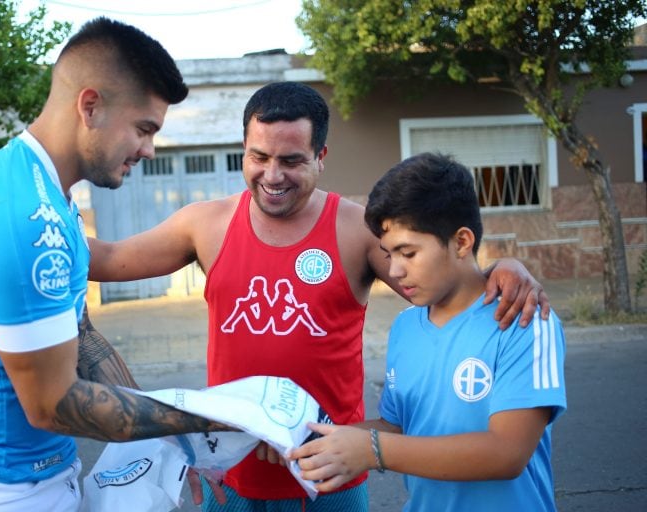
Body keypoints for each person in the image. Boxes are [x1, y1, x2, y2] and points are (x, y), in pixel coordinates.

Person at [88, 82, 550, 511]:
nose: (272, 175)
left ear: (321, 155)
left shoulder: (357, 228)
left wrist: (502, 269)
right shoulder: (204, 224)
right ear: (243, 152)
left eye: (291, 161)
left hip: (328, 477)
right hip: (230, 475)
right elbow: (106, 260)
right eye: (258, 157)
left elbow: (441, 279)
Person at [0, 17, 230, 511]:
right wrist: (207, 419)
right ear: (90, 106)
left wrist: (175, 442)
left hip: (20, 481)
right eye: (143, 129)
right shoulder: (25, 218)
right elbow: (52, 403)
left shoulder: (43, 192)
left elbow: (84, 334)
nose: (148, 149)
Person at [289, 152, 567, 511]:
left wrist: (373, 451)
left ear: (462, 242)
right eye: (389, 255)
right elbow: (400, 427)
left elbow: (507, 453)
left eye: (409, 252)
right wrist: (307, 438)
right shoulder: (406, 326)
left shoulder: (524, 319)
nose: (397, 271)